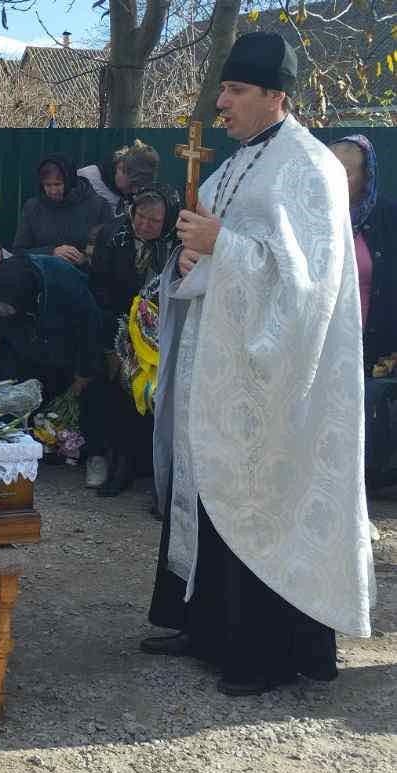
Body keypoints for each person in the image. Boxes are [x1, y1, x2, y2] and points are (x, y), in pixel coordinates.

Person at [144, 33, 375, 696]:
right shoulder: (230, 165)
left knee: (257, 500)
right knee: (208, 491)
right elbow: (205, 255)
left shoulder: (309, 168)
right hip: (216, 368)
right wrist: (188, 260)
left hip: (275, 378)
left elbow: (307, 285)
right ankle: (205, 627)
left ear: (276, 96)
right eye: (222, 90)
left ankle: (263, 651)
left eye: (235, 92)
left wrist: (222, 245)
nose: (221, 103)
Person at [84, 186, 181, 495]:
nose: (144, 225)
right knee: (118, 398)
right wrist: (121, 334)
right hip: (119, 329)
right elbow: (98, 288)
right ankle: (117, 466)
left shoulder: (176, 243)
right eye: (140, 216)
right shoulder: (113, 236)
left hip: (162, 331)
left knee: (158, 400)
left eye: (154, 220)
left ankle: (155, 476)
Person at [330, 136, 397, 500]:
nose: (336, 180)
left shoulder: (387, 218)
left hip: (372, 345)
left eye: (346, 172)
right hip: (324, 343)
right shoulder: (315, 217)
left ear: (365, 176)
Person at [0, 253, 103, 400]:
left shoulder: (64, 280)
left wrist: (84, 372)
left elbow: (90, 326)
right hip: (17, 355)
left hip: (64, 351)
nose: (1, 315)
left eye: (7, 311)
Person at [13, 154, 113, 264]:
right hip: (43, 274)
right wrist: (51, 252)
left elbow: (110, 250)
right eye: (47, 185)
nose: (53, 191)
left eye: (57, 184)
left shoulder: (98, 206)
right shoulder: (33, 207)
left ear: (69, 181)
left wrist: (85, 259)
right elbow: (19, 251)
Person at [77, 141, 161, 216]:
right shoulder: (86, 178)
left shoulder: (131, 198)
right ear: (121, 167)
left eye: (139, 185)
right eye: (133, 184)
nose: (135, 190)